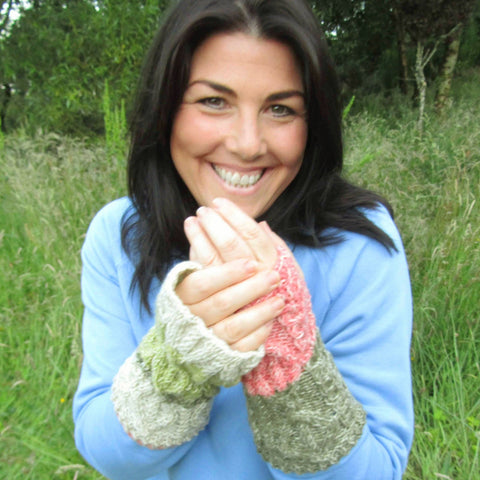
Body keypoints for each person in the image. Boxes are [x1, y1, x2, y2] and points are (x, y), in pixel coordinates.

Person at [73, 0, 414, 478]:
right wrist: (181, 362)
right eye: (214, 101)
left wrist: (286, 348)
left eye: (280, 108)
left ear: (312, 123)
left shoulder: (359, 244)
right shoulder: (119, 233)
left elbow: (378, 469)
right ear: (166, 108)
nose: (248, 143)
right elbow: (105, 452)